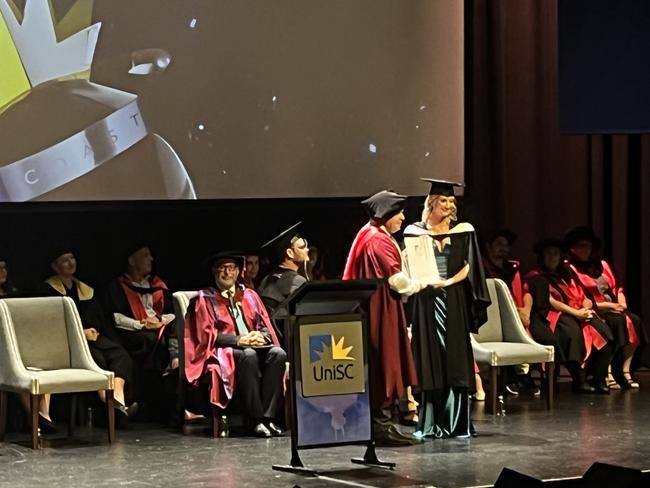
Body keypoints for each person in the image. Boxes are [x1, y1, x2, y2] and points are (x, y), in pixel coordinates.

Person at [343, 189, 430, 446]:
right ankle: (380, 426)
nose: (403, 218)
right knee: (384, 363)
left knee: (383, 362)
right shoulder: (376, 240)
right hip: (378, 309)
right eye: (399, 213)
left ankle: (381, 423)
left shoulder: (370, 234)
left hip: (380, 306)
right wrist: (425, 283)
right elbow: (398, 282)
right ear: (387, 214)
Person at [405, 178, 490, 439]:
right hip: (426, 301)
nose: (449, 205)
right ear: (431, 203)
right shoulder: (414, 232)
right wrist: (422, 282)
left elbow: (470, 266)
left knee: (453, 358)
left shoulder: (464, 230)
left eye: (452, 201)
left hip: (452, 299)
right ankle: (430, 422)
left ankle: (457, 423)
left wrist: (448, 282)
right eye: (444, 201)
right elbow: (409, 264)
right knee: (431, 358)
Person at [184, 251, 286, 437]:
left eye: (231, 268)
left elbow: (265, 324)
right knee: (248, 354)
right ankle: (255, 419)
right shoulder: (204, 299)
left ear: (238, 271)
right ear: (214, 273)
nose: (227, 273)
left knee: (278, 353)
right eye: (222, 269)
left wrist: (261, 336)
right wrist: (239, 340)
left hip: (252, 345)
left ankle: (269, 418)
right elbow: (206, 336)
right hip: (223, 350)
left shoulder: (250, 296)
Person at [39, 248, 137, 417]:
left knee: (120, 355)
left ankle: (118, 399)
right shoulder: (47, 290)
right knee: (96, 359)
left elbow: (97, 318)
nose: (71, 263)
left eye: (72, 258)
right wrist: (80, 333)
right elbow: (49, 324)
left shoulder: (85, 289)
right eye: (64, 260)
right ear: (55, 267)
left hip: (91, 338)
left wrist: (93, 330)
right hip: (66, 343)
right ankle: (110, 404)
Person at [526, 238, 613, 394]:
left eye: (556, 254)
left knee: (605, 333)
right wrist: (576, 313)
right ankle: (579, 380)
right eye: (548, 254)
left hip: (578, 312)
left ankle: (598, 378)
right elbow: (549, 301)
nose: (553, 257)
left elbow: (584, 293)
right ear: (542, 257)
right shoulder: (536, 276)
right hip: (555, 315)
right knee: (572, 334)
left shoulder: (566, 275)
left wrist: (586, 304)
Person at [101, 244, 178, 419]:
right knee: (148, 341)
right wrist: (142, 324)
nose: (151, 259)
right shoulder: (118, 286)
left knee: (171, 339)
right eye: (145, 255)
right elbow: (115, 317)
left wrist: (159, 321)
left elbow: (174, 312)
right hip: (130, 334)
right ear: (131, 260)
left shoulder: (158, 285)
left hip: (160, 330)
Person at [566, 226, 647, 389]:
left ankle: (625, 371)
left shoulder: (602, 264)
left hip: (614, 307)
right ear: (572, 249)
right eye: (581, 246)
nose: (586, 249)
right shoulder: (570, 268)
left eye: (588, 246)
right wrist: (609, 306)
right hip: (595, 309)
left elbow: (618, 287)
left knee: (635, 320)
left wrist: (622, 303)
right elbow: (579, 296)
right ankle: (607, 372)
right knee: (616, 322)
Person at [483, 229, 539, 396]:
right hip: (492, 314)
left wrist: (526, 311)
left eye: (506, 245)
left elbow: (526, 291)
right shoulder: (482, 268)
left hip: (518, 313)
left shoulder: (513, 267)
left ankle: (522, 376)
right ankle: (513, 378)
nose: (504, 248)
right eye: (499, 244)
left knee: (533, 333)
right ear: (488, 246)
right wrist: (515, 313)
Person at [257, 222, 310, 342]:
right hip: (290, 340)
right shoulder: (297, 282)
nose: (307, 249)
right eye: (302, 247)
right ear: (290, 253)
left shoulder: (266, 279)